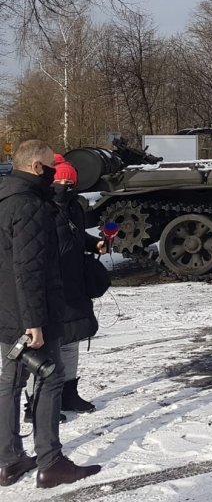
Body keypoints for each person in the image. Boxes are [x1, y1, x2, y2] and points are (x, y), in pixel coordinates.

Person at [0, 140, 100, 489]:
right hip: (31, 314)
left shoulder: (5, 196)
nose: (55, 174)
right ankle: (51, 462)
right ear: (36, 167)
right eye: (50, 167)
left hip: (7, 309)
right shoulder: (29, 205)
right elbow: (28, 269)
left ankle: (9, 460)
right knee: (50, 378)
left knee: (10, 382)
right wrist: (34, 323)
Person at [50, 155, 102, 414]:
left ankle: (69, 393)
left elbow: (76, 235)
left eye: (70, 182)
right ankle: (36, 402)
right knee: (48, 347)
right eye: (61, 182)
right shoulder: (42, 208)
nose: (66, 187)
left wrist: (95, 244)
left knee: (72, 340)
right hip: (51, 284)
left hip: (74, 283)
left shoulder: (73, 207)